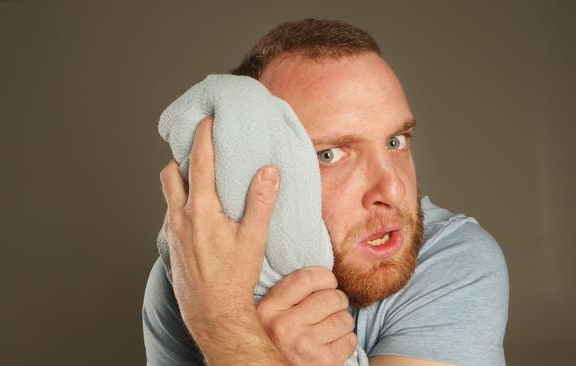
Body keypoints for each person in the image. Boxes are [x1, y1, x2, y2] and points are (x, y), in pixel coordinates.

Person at [143, 18, 509, 366]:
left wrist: (225, 326)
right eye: (330, 154)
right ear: (246, 172)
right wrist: (225, 312)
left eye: (396, 141)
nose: (394, 189)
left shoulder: (454, 260)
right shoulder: (193, 276)